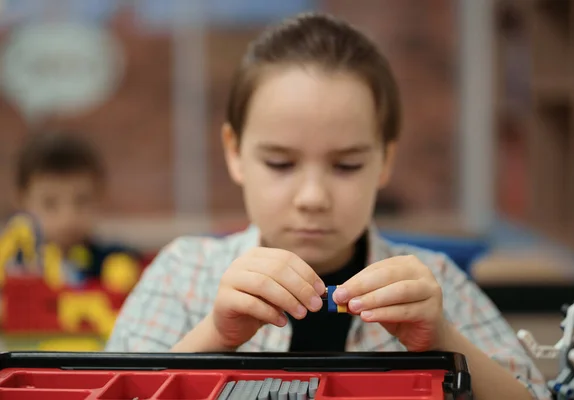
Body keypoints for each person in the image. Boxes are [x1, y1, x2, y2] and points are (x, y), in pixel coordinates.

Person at [105, 12, 550, 400]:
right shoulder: (183, 274)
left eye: (347, 165)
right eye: (280, 163)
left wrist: (447, 341)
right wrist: (213, 337)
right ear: (235, 151)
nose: (313, 198)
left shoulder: (438, 287)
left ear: (385, 161)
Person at [7, 131, 140, 286]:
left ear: (100, 197)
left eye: (82, 201)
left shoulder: (110, 260)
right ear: (22, 200)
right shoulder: (16, 267)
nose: (68, 218)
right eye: (50, 204)